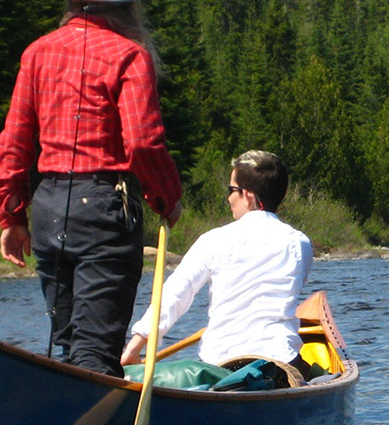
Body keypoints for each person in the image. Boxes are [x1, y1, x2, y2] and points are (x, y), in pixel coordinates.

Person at [0, 0, 182, 377]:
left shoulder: (37, 53)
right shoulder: (129, 55)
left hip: (48, 206)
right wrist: (166, 197)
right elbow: (142, 143)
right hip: (104, 207)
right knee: (95, 347)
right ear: (126, 1)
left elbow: (12, 144)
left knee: (68, 342)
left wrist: (12, 217)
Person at [121, 150, 312, 379]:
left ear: (247, 195)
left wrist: (134, 347)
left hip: (221, 363)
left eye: (231, 190)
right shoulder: (300, 243)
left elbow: (175, 294)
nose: (229, 198)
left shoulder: (213, 240)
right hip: (280, 359)